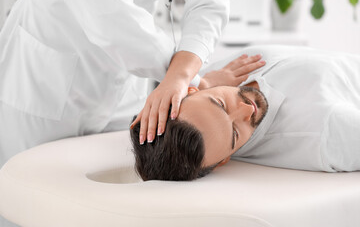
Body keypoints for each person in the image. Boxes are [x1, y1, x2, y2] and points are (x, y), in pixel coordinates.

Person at [0, 0, 236, 169]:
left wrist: (185, 71)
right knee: (31, 185)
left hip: (127, 72)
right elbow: (107, 17)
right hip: (49, 61)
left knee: (112, 181)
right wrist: (193, 79)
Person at [130, 45, 360, 181]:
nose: (247, 109)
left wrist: (203, 79)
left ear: (192, 89)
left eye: (220, 103)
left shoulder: (217, 77)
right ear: (224, 160)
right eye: (235, 133)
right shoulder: (328, 131)